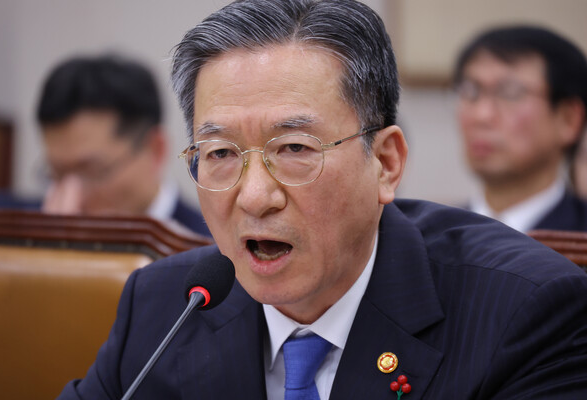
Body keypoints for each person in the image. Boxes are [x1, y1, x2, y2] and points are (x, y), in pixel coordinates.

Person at [58, 1, 587, 399]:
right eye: (220, 153)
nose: (255, 196)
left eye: (294, 148)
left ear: (386, 163)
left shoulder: (523, 314)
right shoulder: (161, 308)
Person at [36, 54, 210, 236]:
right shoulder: (33, 239)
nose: (71, 204)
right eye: (57, 174)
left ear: (155, 150)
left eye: (92, 171)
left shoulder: (209, 245)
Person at [453, 25, 587, 233]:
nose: (482, 115)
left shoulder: (580, 239)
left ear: (568, 119)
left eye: (509, 92)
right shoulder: (434, 235)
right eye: (470, 91)